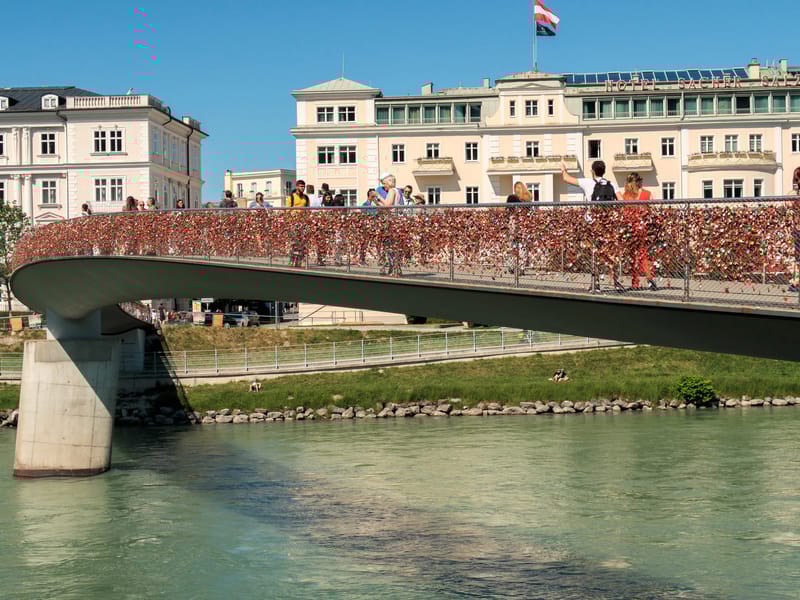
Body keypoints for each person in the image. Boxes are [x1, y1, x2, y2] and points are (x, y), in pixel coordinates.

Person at [561, 159, 622, 293]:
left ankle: (596, 284)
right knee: (610, 252)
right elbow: (621, 201)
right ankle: (616, 282)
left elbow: (566, 178)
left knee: (594, 253)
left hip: (592, 224)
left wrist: (563, 168)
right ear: (604, 171)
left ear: (593, 171)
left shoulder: (588, 182)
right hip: (607, 223)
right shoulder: (611, 184)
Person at [620, 173, 657, 291]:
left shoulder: (626, 196)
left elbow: (623, 212)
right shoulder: (647, 194)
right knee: (644, 255)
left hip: (631, 229)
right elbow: (653, 209)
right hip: (644, 228)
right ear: (638, 182)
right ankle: (649, 279)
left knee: (633, 256)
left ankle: (635, 283)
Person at [287, 180, 310, 266]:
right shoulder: (291, 197)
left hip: (303, 222)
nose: (303, 188)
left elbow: (308, 210)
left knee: (303, 242)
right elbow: (287, 210)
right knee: (294, 242)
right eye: (301, 186)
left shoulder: (306, 198)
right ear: (297, 187)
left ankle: (301, 260)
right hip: (294, 222)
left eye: (304, 186)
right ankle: (292, 260)